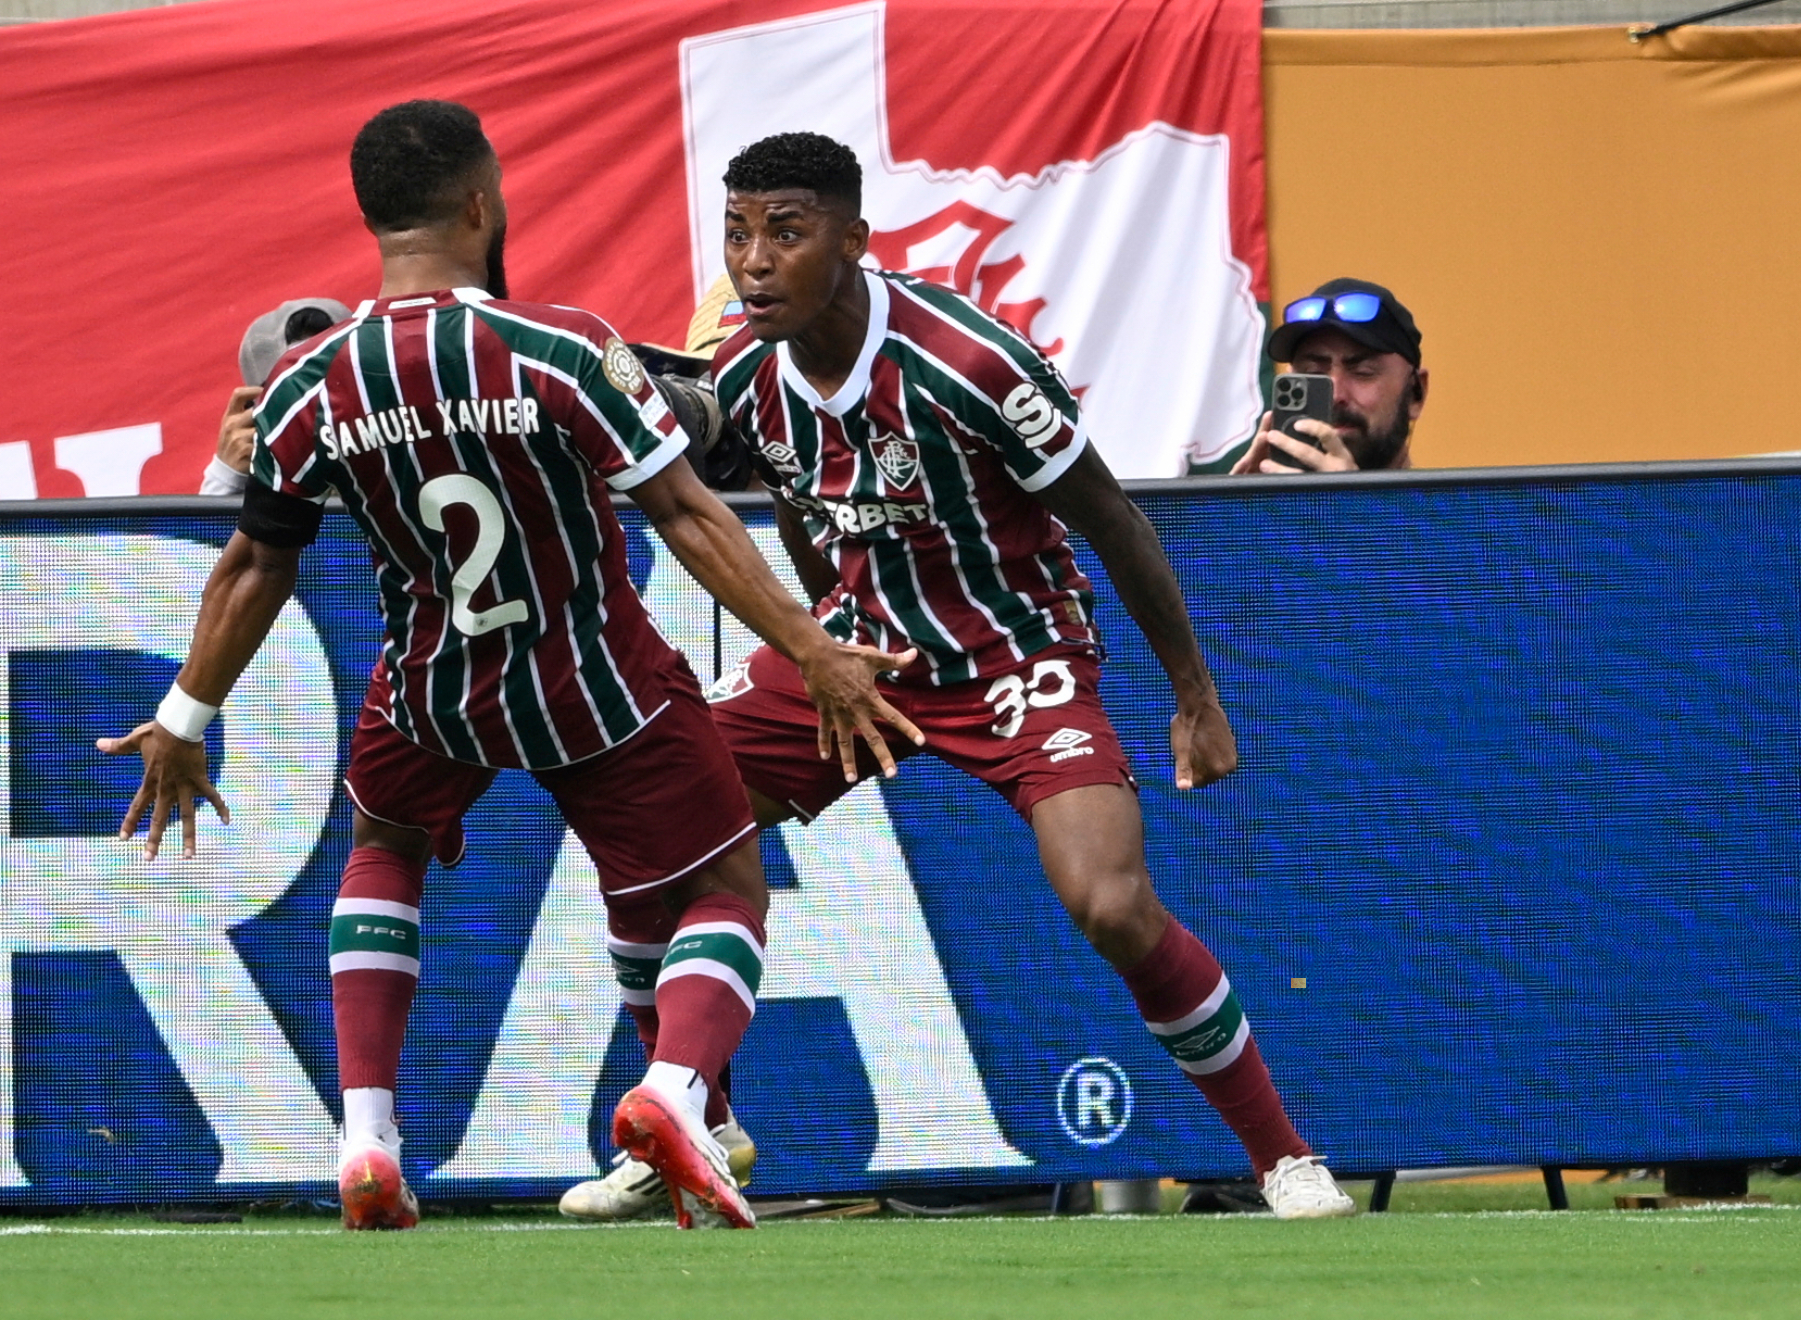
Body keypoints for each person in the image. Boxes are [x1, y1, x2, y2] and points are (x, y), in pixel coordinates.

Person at [101, 101, 920, 1232]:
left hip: (432, 689)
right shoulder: (562, 346)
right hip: (594, 684)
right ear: (482, 205)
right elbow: (689, 514)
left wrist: (185, 718)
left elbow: (254, 565)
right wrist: (813, 648)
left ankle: (367, 1137)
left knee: (384, 847)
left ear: (372, 218)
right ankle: (675, 1091)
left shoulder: (308, 383)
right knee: (723, 888)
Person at [571, 131, 1353, 1220]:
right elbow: (798, 503)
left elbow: (1114, 520)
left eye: (785, 233)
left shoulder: (971, 362)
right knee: (660, 831)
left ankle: (1285, 1160)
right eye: (737, 234)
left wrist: (1194, 693)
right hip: (869, 654)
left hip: (1014, 658)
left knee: (1111, 904)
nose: (753, 261)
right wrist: (827, 637)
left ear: (854, 240)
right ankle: (697, 1123)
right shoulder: (746, 373)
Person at [1231, 278, 1427, 475]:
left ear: (1416, 394)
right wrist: (1241, 494)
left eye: (1363, 372)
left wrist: (1347, 495)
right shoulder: (1255, 494)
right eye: (1313, 374)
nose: (1335, 395)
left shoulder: (1444, 495)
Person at [201, 298, 351, 495]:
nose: (313, 410)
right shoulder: (263, 483)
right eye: (292, 394)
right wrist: (226, 478)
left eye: (331, 385)